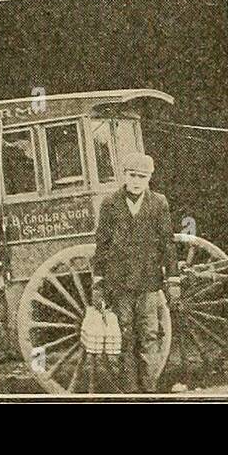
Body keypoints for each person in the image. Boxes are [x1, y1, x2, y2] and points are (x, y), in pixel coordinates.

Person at [92, 151, 179, 392]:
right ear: (125, 175)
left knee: (149, 336)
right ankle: (130, 392)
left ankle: (149, 389)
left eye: (143, 176)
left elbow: (167, 243)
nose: (137, 181)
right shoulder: (110, 204)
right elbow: (102, 244)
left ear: (150, 178)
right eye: (133, 175)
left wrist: (173, 280)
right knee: (125, 336)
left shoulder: (159, 203)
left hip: (149, 284)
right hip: (119, 285)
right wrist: (98, 283)